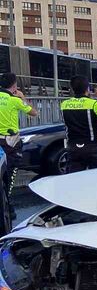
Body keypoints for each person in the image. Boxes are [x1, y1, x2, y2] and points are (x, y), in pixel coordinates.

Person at [60, 75, 97, 173]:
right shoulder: (94, 104)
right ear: (88, 88)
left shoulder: (64, 104)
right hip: (92, 146)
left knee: (73, 177)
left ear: (72, 89)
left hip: (72, 146)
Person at [0, 73, 38, 201]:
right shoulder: (15, 100)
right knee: (10, 172)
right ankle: (7, 202)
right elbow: (34, 113)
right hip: (9, 142)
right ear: (14, 85)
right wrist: (22, 97)